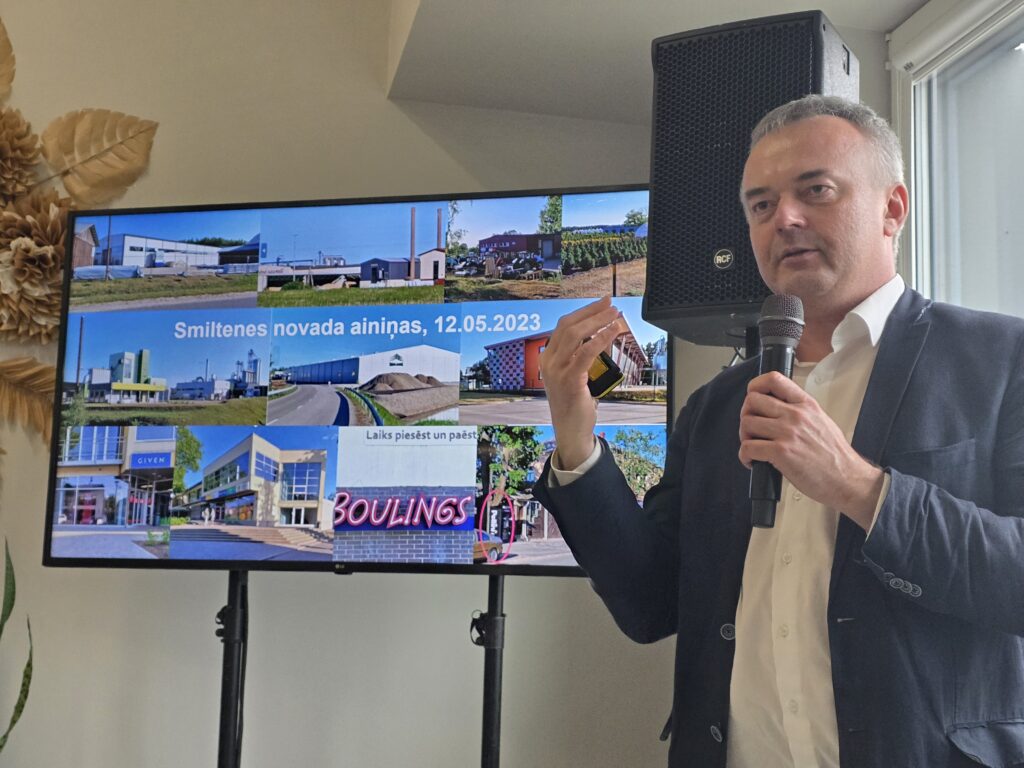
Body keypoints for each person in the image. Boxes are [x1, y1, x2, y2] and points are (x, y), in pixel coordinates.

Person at [533, 94, 1024, 768]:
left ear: (893, 208)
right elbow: (649, 605)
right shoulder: (715, 406)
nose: (784, 219)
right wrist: (576, 439)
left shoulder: (1001, 361)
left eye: (815, 190)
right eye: (761, 205)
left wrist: (859, 487)